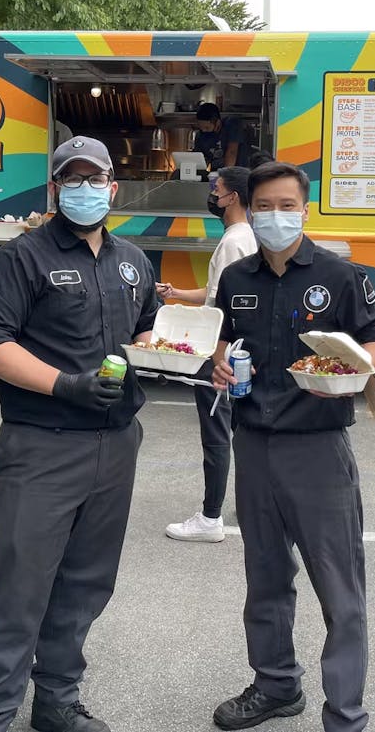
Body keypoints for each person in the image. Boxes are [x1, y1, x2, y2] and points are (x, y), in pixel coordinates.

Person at [0, 136, 161, 732]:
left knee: (87, 583)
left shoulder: (133, 260)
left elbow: (147, 329)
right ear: (54, 189)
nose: (85, 189)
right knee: (21, 586)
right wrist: (64, 386)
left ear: (112, 188)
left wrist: (174, 350)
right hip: (42, 443)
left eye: (94, 179)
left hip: (116, 444)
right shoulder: (20, 259)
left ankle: (56, 701)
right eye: (71, 179)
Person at [209, 161, 375, 732]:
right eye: (266, 206)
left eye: (288, 206)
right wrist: (217, 364)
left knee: (339, 585)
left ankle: (345, 713)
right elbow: (222, 345)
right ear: (249, 209)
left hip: (318, 448)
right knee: (264, 577)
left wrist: (353, 369)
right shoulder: (237, 280)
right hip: (254, 445)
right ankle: (276, 685)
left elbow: (374, 343)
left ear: (305, 210)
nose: (276, 216)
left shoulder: (340, 275)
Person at [155, 166, 257, 542]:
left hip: (220, 349)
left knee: (215, 434)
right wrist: (179, 293)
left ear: (233, 197)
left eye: (217, 188)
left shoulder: (234, 241)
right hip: (235, 349)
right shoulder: (243, 237)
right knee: (238, 430)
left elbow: (226, 307)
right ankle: (249, 504)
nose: (213, 194)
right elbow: (219, 293)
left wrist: (217, 358)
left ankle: (211, 518)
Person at [193, 101, 249, 170]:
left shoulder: (232, 124)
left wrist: (226, 175)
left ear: (218, 122)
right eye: (201, 128)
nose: (204, 131)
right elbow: (199, 159)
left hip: (238, 172)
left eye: (207, 128)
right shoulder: (200, 135)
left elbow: (232, 152)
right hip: (215, 174)